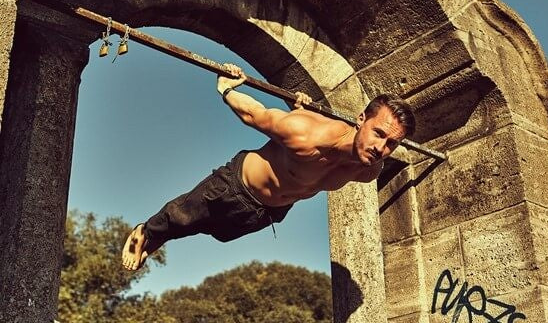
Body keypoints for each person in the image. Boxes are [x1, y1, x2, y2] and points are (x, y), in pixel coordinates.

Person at [122, 64, 415, 271]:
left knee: (213, 232)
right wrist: (226, 88)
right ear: (361, 118)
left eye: (392, 143)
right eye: (379, 133)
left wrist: (302, 108)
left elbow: (309, 172)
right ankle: (147, 232)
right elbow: (254, 115)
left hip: (266, 213)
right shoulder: (305, 133)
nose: (381, 148)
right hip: (236, 186)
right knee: (183, 216)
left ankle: (161, 235)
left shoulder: (368, 170)